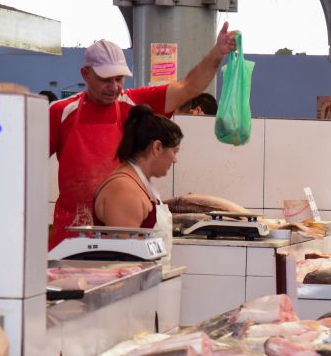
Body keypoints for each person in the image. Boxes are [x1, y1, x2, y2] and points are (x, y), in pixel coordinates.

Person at [48, 22, 236, 249]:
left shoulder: (134, 104)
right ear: (85, 74)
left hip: (122, 225)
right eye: (105, 79)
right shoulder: (60, 112)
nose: (114, 87)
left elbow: (189, 87)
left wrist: (217, 53)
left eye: (119, 79)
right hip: (70, 234)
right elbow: (25, 167)